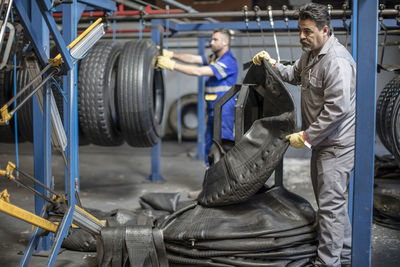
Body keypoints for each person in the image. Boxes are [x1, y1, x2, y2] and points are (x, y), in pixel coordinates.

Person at [253, 3, 355, 267]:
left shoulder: (337, 61)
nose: (302, 36)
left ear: (324, 29)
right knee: (331, 204)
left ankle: (327, 263)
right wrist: (272, 64)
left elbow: (337, 109)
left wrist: (307, 135)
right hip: (323, 144)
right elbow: (294, 74)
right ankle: (344, 257)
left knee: (330, 208)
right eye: (300, 30)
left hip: (336, 145)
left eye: (307, 31)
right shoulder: (311, 55)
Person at [157, 28, 238, 166]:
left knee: (223, 147)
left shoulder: (228, 62)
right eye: (211, 39)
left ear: (225, 42)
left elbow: (198, 71)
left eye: (215, 40)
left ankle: (225, 183)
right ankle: (209, 182)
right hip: (213, 110)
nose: (211, 42)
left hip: (224, 111)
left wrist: (172, 65)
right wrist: (171, 54)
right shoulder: (214, 58)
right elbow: (194, 59)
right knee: (210, 148)